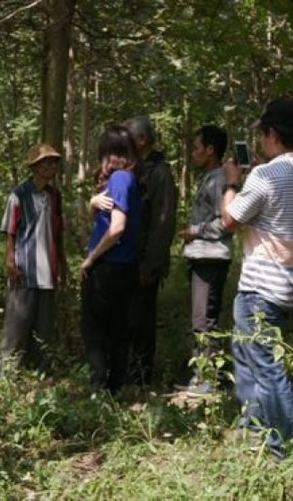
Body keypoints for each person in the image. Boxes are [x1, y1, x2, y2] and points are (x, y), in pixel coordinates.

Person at [220, 98, 293, 457]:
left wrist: (231, 183)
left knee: (266, 366)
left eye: (263, 133)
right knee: (247, 353)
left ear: (272, 134)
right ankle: (255, 428)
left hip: (260, 287)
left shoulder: (265, 175)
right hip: (292, 283)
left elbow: (229, 220)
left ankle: (285, 446)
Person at [81, 126, 142, 393]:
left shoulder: (119, 178)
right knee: (116, 327)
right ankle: (113, 387)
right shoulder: (128, 179)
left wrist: (91, 258)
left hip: (108, 268)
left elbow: (117, 227)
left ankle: (100, 387)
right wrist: (92, 205)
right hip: (124, 267)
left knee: (95, 329)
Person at [0, 143, 68, 371]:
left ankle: (41, 375)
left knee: (44, 331)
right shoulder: (19, 195)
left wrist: (63, 264)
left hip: (48, 272)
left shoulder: (55, 196)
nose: (52, 167)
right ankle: (8, 375)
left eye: (54, 163)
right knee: (16, 328)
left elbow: (58, 233)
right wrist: (10, 261)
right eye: (47, 163)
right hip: (24, 270)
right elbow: (10, 231)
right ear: (36, 167)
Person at [176, 125, 233, 396]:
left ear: (211, 150)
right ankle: (203, 375)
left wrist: (194, 231)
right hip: (201, 257)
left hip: (212, 258)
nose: (194, 154)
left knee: (205, 321)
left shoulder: (220, 180)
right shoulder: (211, 177)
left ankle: (208, 379)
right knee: (201, 319)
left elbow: (226, 224)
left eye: (198, 148)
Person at [123, 116, 178, 385]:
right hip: (127, 259)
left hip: (145, 262)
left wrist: (151, 264)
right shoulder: (135, 169)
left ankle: (142, 376)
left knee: (142, 320)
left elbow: (163, 223)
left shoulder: (159, 173)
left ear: (142, 140)